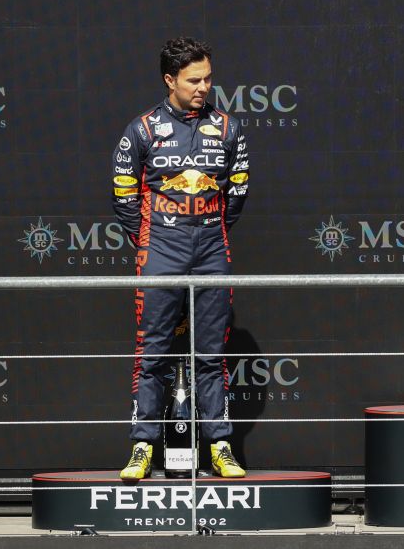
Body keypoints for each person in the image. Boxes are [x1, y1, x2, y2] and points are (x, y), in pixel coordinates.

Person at [113, 37, 250, 480]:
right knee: (152, 352)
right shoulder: (143, 129)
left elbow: (238, 193)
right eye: (194, 80)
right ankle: (142, 447)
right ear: (169, 80)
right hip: (161, 250)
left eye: (209, 78)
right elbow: (123, 193)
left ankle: (220, 446)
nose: (203, 87)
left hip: (212, 247)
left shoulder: (228, 128)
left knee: (211, 354)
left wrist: (207, 229)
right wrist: (155, 236)